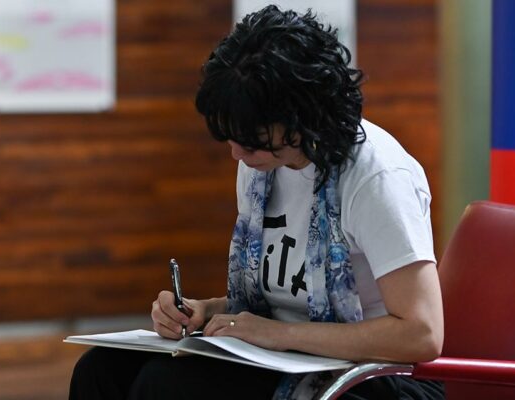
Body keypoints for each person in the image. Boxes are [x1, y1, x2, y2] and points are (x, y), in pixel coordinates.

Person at [70, 5, 444, 400]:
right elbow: (288, 300)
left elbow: (422, 333)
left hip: (370, 377)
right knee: (101, 369)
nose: (237, 154)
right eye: (233, 139)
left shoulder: (375, 177)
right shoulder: (265, 164)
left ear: (302, 118)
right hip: (288, 354)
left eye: (250, 141)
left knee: (168, 385)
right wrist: (206, 312)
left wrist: (279, 335)